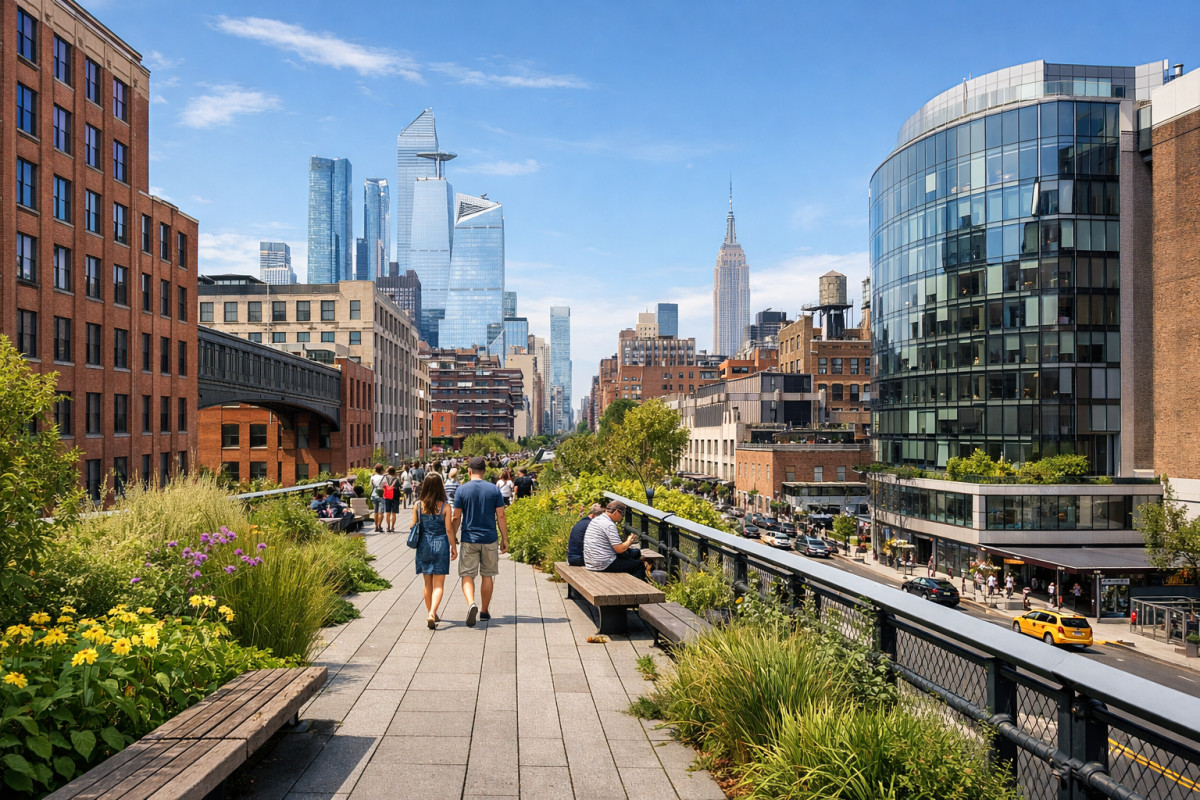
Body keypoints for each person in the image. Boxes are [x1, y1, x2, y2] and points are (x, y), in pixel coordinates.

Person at [452, 456, 508, 627]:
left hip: (469, 538)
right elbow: (501, 515)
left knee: (467, 574)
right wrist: (505, 538)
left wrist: (453, 537)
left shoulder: (461, 490)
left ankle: (471, 604)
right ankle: (484, 611)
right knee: (487, 575)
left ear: (469, 471)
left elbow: (456, 516)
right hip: (490, 538)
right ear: (484, 471)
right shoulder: (493, 489)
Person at [412, 472, 457, 629]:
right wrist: (454, 546)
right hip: (440, 544)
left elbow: (413, 526)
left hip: (423, 545)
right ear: (440, 487)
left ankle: (430, 611)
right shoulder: (445, 507)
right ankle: (432, 612)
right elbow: (449, 529)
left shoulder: (418, 506)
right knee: (439, 584)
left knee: (427, 583)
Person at [583, 501, 646, 578]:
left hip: (590, 562)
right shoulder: (609, 524)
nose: (622, 517)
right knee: (639, 565)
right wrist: (629, 541)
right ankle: (638, 589)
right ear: (616, 512)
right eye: (622, 514)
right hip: (603, 564)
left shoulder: (596, 520)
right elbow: (619, 549)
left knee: (634, 554)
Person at [381, 466, 400, 532]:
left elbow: (382, 486)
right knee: (394, 513)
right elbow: (398, 487)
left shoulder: (385, 478)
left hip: (387, 497)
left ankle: (388, 527)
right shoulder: (396, 479)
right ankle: (392, 527)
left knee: (388, 512)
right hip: (395, 497)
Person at [369, 464, 386, 531]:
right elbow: (386, 486)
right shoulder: (384, 477)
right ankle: (379, 525)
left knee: (375, 511)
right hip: (381, 494)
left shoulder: (372, 477)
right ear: (382, 470)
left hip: (374, 494)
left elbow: (371, 486)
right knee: (381, 512)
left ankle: (375, 526)